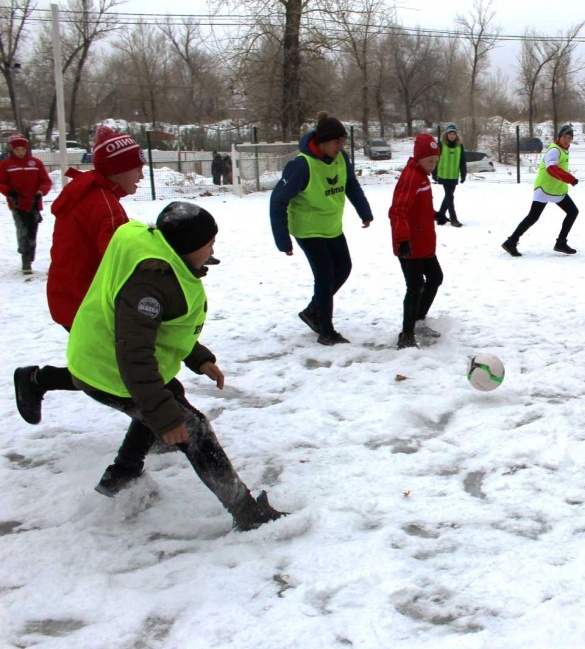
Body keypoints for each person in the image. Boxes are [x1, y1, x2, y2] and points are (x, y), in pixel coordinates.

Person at [65, 202, 285, 530]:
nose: (214, 248)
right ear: (186, 247)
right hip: (110, 369)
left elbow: (164, 329)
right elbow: (135, 356)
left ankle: (121, 474)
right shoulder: (150, 286)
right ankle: (247, 513)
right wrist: (165, 418)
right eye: (208, 243)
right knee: (190, 428)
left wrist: (198, 358)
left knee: (166, 397)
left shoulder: (163, 261)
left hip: (109, 356)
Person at [13, 126, 146, 426]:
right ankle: (155, 424)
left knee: (103, 365)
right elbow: (119, 261)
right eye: (136, 168)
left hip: (70, 296)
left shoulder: (91, 193)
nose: (141, 175)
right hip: (84, 303)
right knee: (109, 369)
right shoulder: (105, 207)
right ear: (117, 170)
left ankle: (36, 380)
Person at [270, 112, 373, 345]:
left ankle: (312, 311)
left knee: (344, 268)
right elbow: (278, 201)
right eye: (337, 142)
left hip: (332, 226)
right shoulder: (301, 166)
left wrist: (364, 212)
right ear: (323, 141)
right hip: (308, 230)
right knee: (325, 276)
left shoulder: (341, 158)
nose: (341, 146)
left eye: (343, 142)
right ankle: (326, 330)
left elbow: (351, 184)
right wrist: (282, 240)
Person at [390, 134, 443, 349]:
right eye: (429, 161)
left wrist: (434, 214)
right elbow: (398, 211)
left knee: (435, 277)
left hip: (424, 243)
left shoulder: (422, 175)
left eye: (436, 162)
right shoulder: (411, 176)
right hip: (410, 245)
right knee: (415, 286)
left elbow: (419, 207)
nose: (432, 165)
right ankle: (406, 334)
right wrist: (402, 240)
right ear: (419, 158)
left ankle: (419, 320)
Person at [501, 124, 580, 256]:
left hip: (556, 189)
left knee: (572, 212)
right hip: (544, 188)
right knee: (533, 217)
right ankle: (511, 242)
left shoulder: (564, 149)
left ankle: (560, 242)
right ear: (559, 137)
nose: (567, 140)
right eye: (564, 137)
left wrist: (566, 179)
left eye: (569, 138)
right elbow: (551, 169)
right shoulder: (554, 150)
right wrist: (569, 178)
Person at [0, 132, 52, 273]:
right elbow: (1, 182)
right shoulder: (6, 165)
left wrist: (41, 192)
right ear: (12, 149)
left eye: (23, 149)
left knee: (32, 232)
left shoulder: (36, 163)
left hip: (34, 204)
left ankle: (30, 253)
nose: (20, 152)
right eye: (17, 150)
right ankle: (25, 259)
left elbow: (46, 181)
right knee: (22, 231)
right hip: (16, 204)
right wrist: (9, 192)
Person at [433, 123, 466, 227]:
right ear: (446, 135)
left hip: (453, 175)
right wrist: (434, 173)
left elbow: (462, 161)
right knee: (450, 196)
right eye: (450, 133)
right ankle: (453, 219)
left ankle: (440, 215)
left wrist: (463, 173)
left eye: (454, 134)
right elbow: (435, 159)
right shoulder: (441, 145)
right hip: (443, 175)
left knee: (448, 196)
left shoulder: (460, 146)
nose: (452, 135)